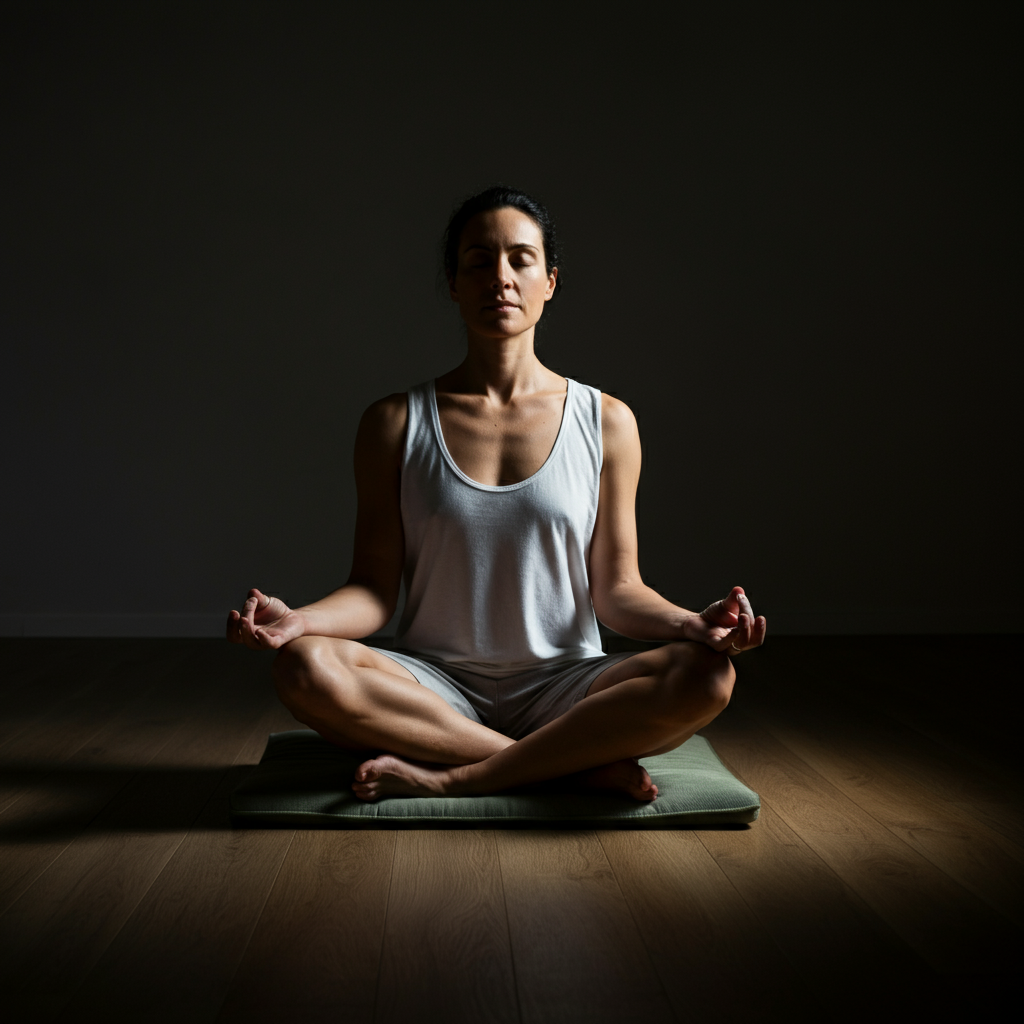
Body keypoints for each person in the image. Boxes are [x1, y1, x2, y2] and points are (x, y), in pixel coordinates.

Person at [227, 185, 766, 803]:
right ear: (454, 284)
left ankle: (459, 774)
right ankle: (568, 766)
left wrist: (692, 624)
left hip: (567, 688)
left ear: (550, 281)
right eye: (479, 261)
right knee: (303, 665)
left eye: (520, 259)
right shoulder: (394, 423)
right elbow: (373, 591)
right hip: (430, 689)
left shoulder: (607, 422)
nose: (500, 278)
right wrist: (299, 621)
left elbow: (618, 591)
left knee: (708, 677)